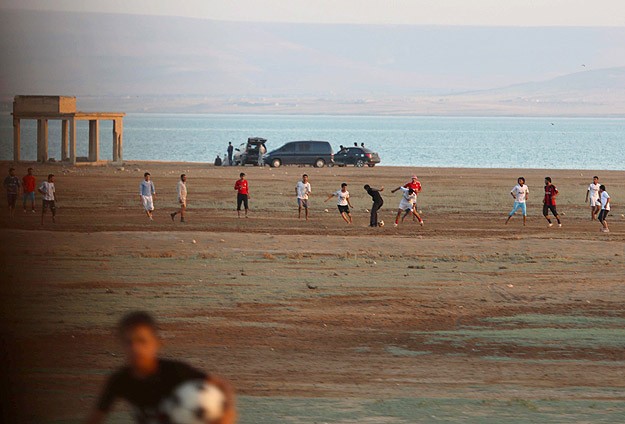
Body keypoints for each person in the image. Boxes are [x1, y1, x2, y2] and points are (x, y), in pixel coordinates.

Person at [84, 311, 236, 424]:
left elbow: (220, 384)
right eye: (128, 342)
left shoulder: (175, 371)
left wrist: (227, 414)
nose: (135, 348)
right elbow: (95, 417)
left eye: (142, 341)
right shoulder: (119, 380)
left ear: (156, 343)